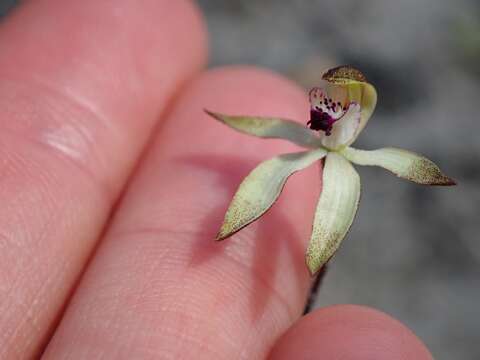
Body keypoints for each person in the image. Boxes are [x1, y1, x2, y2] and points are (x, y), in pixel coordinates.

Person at [0, 1, 433, 359]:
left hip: (336, 164)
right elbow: (255, 164)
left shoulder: (354, 163)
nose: (337, 106)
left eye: (350, 104)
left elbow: (404, 172)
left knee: (321, 246)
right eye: (334, 99)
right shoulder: (296, 138)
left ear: (359, 114)